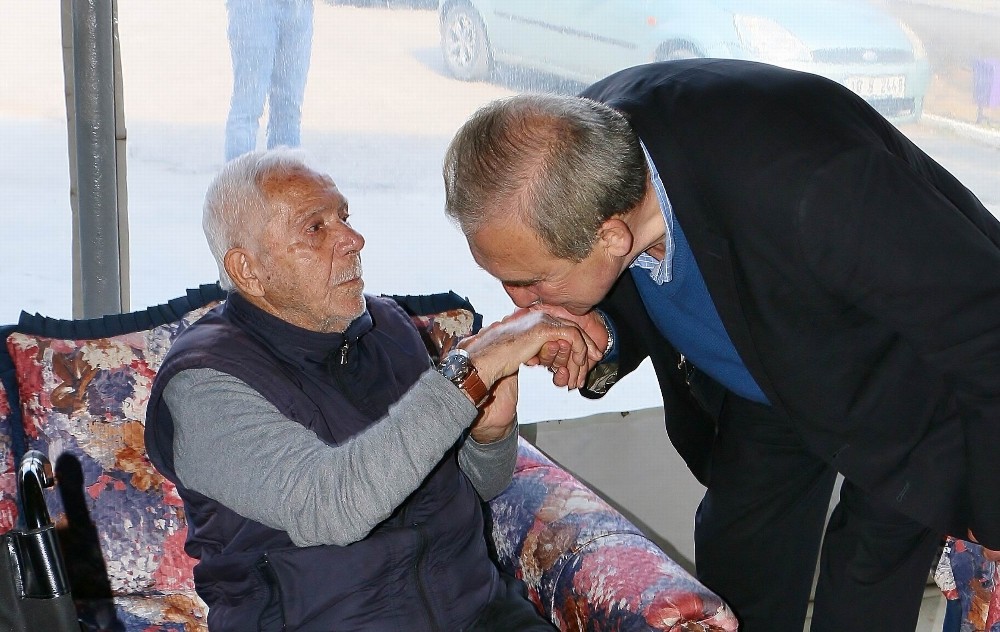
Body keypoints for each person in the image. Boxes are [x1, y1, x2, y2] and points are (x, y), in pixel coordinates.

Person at [442, 59, 1000, 632]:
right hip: (768, 374)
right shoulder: (577, 156)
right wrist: (604, 332)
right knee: (737, 580)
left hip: (896, 373)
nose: (520, 301)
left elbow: (984, 328)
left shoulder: (811, 181)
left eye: (531, 280)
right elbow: (660, 272)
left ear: (612, 236)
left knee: (865, 584)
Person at [143, 148, 600, 630]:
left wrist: (490, 435)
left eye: (343, 216)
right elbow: (332, 506)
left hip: (477, 613)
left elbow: (466, 487)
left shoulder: (388, 330)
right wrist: (470, 371)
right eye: (315, 228)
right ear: (248, 270)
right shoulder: (207, 383)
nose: (354, 239)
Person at [223, 0, 314, 161]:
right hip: (254, 7)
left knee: (289, 110)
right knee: (248, 107)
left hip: (299, 8)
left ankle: (283, 184)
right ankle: (237, 185)